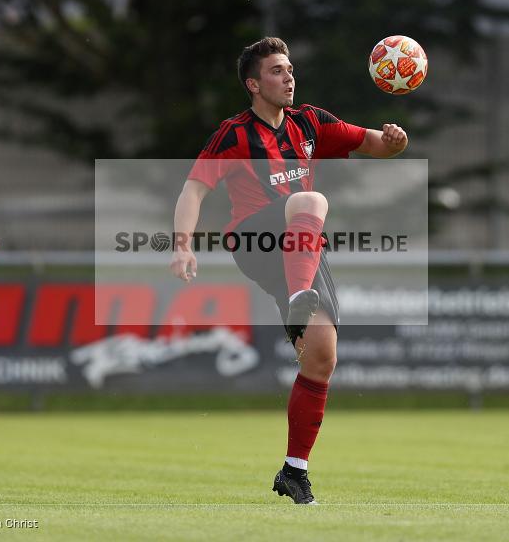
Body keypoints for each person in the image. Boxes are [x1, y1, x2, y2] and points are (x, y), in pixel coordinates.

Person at [170, 37, 408, 504]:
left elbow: (374, 144)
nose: (289, 76)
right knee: (309, 199)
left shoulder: (311, 123)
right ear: (254, 84)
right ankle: (300, 296)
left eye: (291, 69)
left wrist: (396, 142)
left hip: (302, 247)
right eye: (278, 71)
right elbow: (193, 190)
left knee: (321, 355)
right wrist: (182, 246)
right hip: (255, 241)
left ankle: (294, 471)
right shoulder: (233, 134)